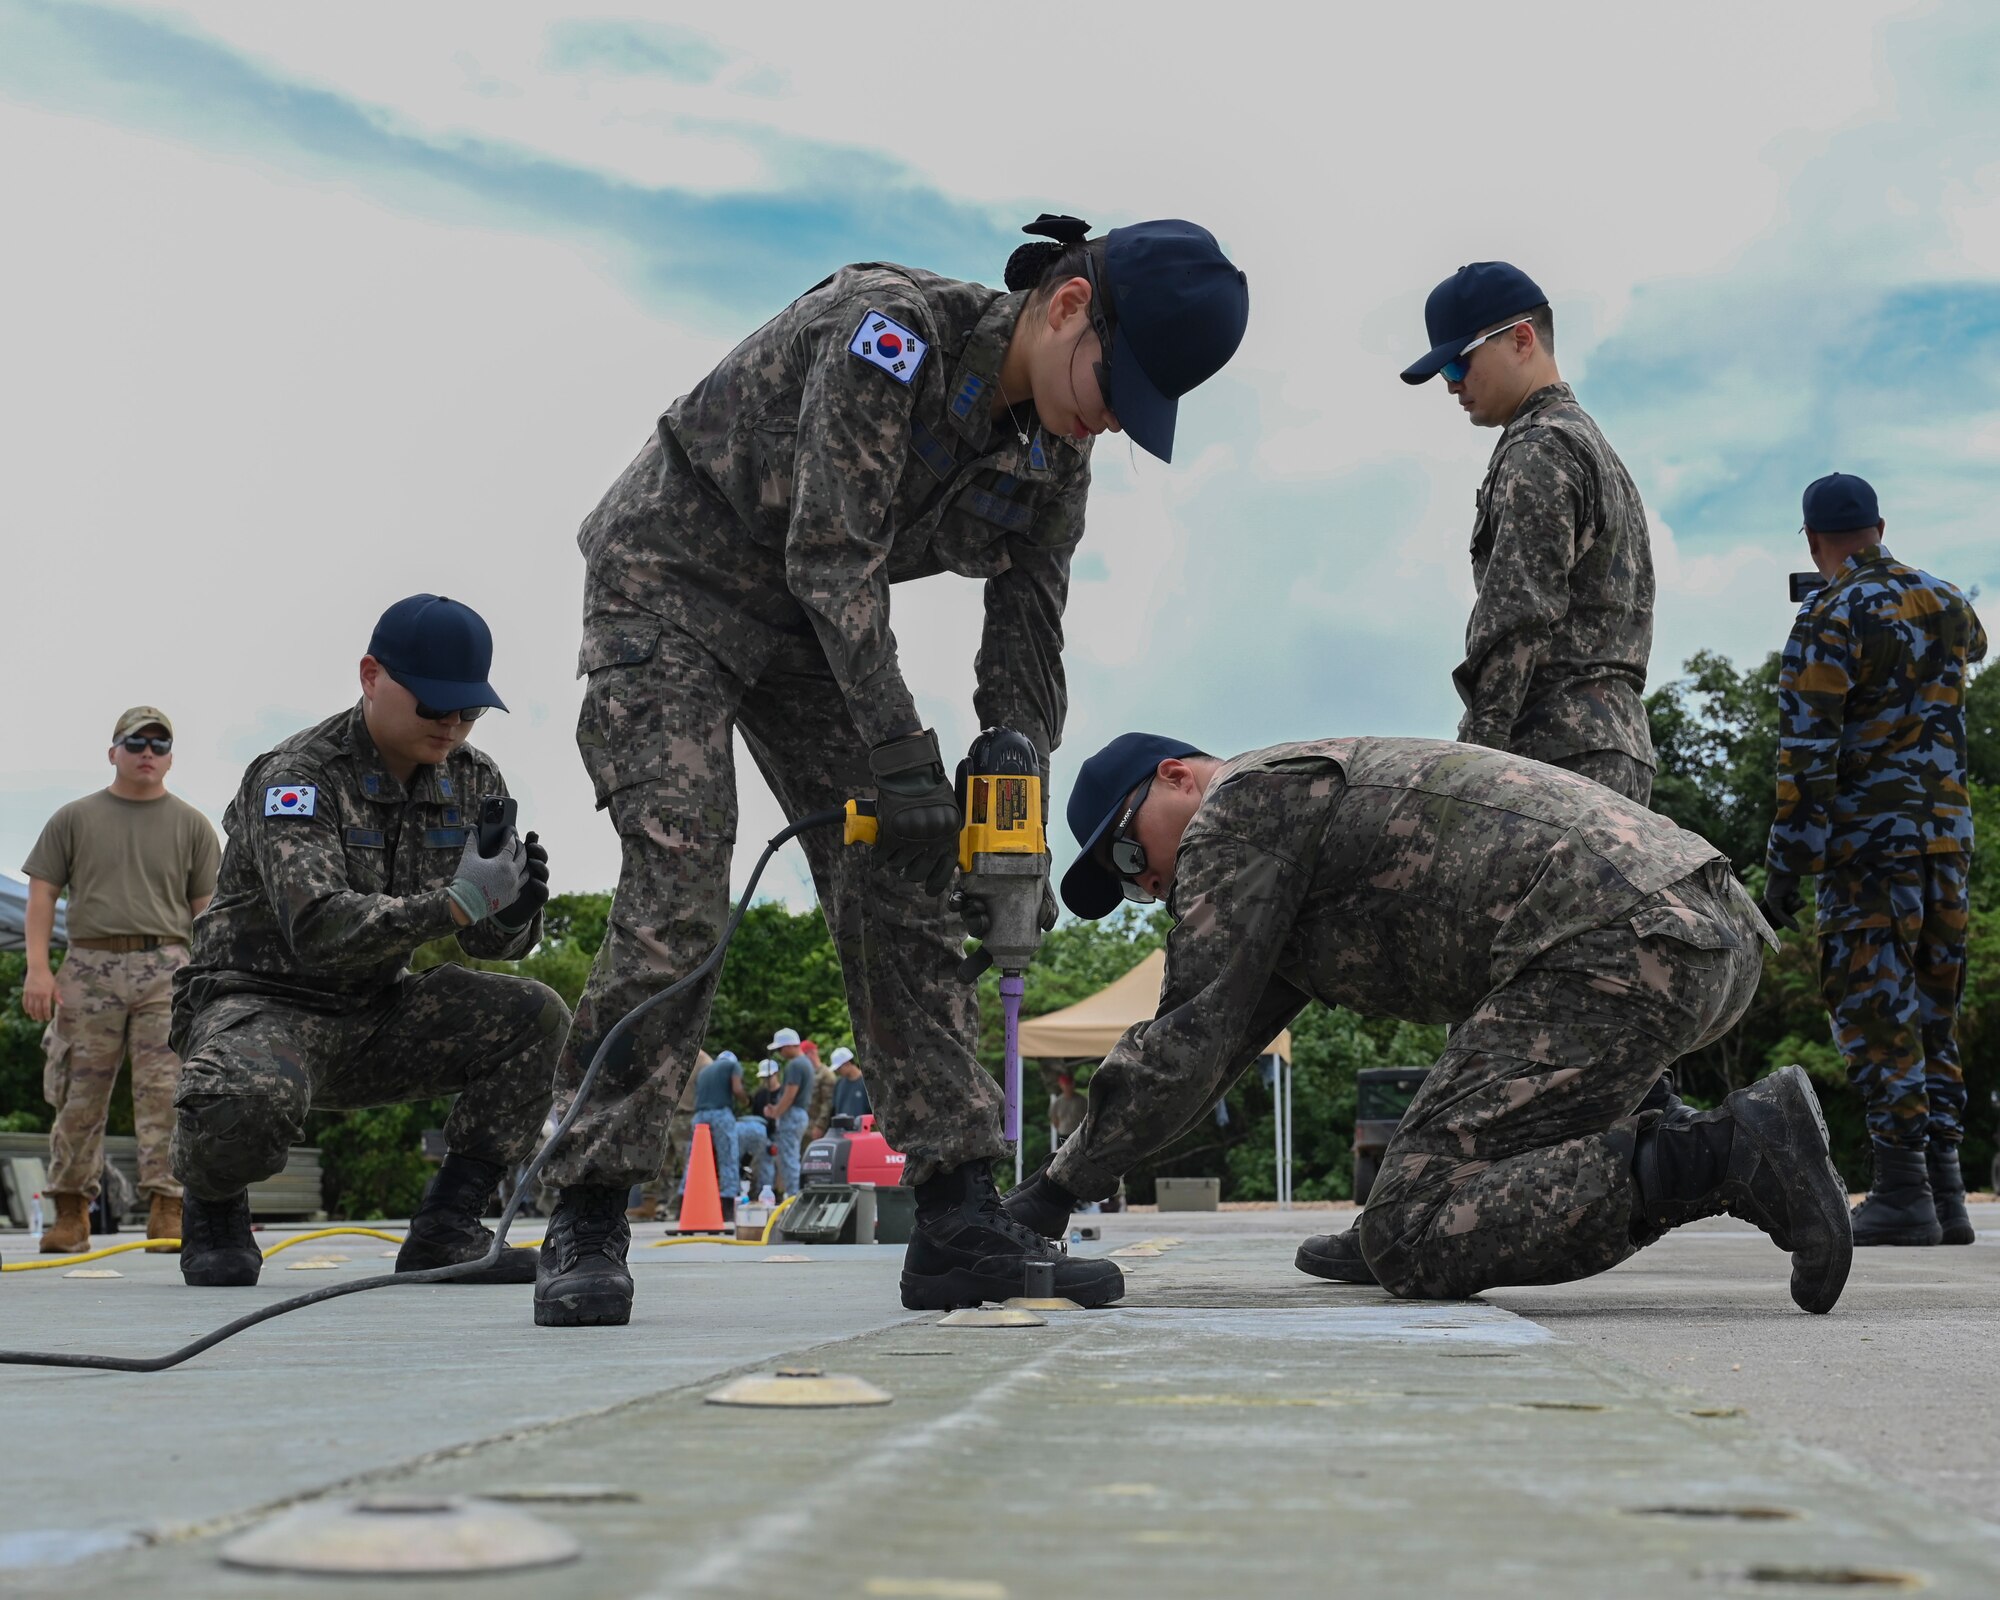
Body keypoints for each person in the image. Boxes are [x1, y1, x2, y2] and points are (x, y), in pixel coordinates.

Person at [535, 212, 1249, 1326]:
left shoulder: (1053, 456)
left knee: (900, 882)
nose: (1110, 420)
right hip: (671, 587)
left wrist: (1008, 763)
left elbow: (1027, 636)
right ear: (1068, 305)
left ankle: (958, 1209)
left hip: (809, 631)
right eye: (1117, 382)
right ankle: (585, 1201)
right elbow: (833, 550)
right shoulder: (886, 333)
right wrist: (907, 760)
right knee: (680, 877)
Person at [1004, 732, 1854, 1316]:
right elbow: (1215, 1045)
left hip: (1622, 940)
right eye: (1127, 886)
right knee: (1411, 1216)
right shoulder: (1286, 820)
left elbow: (1186, 1031)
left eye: (1127, 854)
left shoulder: (1240, 808)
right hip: (1695, 932)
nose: (1147, 884)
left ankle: (1727, 1152)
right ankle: (1686, 1138)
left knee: (1412, 1229)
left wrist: (1046, 1196)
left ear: (1176, 775)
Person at [168, 595, 565, 1288]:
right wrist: (458, 903)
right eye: (434, 706)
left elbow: (492, 947)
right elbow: (319, 928)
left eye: (467, 712)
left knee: (535, 1017)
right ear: (371, 676)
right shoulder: (297, 779)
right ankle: (214, 1206)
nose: (451, 726)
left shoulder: (473, 780)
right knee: (247, 1097)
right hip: (260, 1006)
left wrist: (511, 911)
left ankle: (449, 1230)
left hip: (374, 1013)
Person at [1760, 474, 1987, 1247]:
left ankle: (1901, 1191)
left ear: (1814, 541)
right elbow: (1975, 644)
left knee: (1877, 1009)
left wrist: (1786, 866)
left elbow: (1806, 753)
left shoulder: (1827, 615)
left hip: (1869, 849)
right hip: (1947, 841)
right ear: (1880, 526)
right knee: (1934, 1011)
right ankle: (1946, 1190)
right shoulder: (1949, 601)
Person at [1402, 262, 1657, 804]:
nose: (1451, 385)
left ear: (1520, 339)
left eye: (1457, 362)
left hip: (1553, 758)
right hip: (1619, 747)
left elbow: (1515, 619)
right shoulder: (1593, 447)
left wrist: (1473, 770)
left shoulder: (1537, 451)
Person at [21, 706, 220, 1255]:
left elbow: (208, 914)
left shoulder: (192, 824)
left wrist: (211, 984)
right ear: (114, 752)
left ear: (171, 757)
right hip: (89, 965)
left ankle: (167, 1208)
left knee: (167, 1094)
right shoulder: (74, 818)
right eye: (136, 744)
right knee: (78, 1093)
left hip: (169, 970)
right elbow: (42, 895)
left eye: (159, 745)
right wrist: (38, 968)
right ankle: (70, 1212)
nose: (148, 754)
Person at [681, 1049, 743, 1217]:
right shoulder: (732, 1065)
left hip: (699, 1116)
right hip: (721, 1114)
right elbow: (737, 1089)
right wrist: (745, 1100)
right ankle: (728, 1205)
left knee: (694, 1161)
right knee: (728, 1158)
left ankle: (684, 1202)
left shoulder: (705, 1070)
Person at [765, 1027, 817, 1197]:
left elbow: (790, 1095)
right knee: (792, 1157)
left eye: (780, 1048)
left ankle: (795, 1199)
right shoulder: (806, 1063)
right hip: (800, 1114)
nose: (780, 1053)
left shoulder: (794, 1064)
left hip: (792, 1115)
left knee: (788, 1160)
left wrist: (776, 1112)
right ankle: (796, 1196)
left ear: (788, 1046)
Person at [736, 1060, 784, 1197]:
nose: (767, 1081)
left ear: (777, 1074)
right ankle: (757, 1192)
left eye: (769, 1077)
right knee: (758, 1167)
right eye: (764, 1078)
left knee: (777, 1164)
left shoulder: (783, 1093)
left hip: (778, 1134)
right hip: (761, 1135)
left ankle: (777, 1193)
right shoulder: (760, 1094)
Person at [830, 1046, 872, 1122]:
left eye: (839, 1068)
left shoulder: (867, 1083)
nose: (837, 1071)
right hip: (841, 1131)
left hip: (862, 1131)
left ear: (848, 1063)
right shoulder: (839, 1083)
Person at [1048, 1072, 1085, 1150]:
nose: (1067, 1087)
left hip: (1078, 1134)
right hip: (1063, 1134)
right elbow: (1054, 1121)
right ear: (1061, 1085)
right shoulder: (1057, 1102)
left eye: (1069, 1084)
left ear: (1073, 1084)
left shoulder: (1082, 1101)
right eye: (1065, 1085)